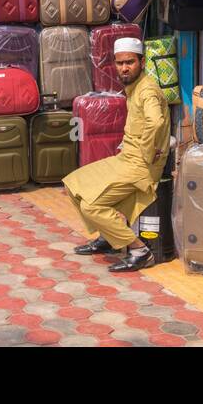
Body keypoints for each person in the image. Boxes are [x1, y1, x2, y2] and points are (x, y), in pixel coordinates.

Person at [63, 37, 170, 273]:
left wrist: (149, 151)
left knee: (92, 206)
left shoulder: (147, 91)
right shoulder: (134, 88)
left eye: (130, 62)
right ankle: (110, 237)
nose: (124, 68)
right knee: (74, 184)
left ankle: (139, 251)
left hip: (140, 164)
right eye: (120, 63)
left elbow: (155, 121)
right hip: (127, 158)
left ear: (142, 62)